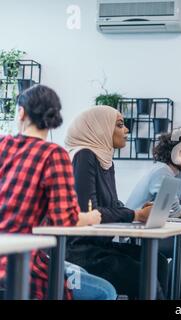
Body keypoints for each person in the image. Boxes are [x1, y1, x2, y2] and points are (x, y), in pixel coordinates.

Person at [0, 85, 117, 300]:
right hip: (22, 265)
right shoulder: (53, 154)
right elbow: (65, 219)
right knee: (105, 291)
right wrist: (91, 217)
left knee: (77, 272)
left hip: (8, 257)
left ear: (22, 113)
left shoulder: (3, 145)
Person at [64, 105, 169, 299]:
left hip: (100, 247)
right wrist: (135, 215)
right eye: (120, 125)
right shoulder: (84, 155)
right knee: (144, 274)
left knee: (159, 262)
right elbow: (90, 212)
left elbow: (112, 205)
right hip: (80, 252)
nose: (127, 130)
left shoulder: (104, 159)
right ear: (100, 128)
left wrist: (137, 211)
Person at [126, 131, 181, 299]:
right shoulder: (161, 171)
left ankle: (177, 296)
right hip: (139, 232)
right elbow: (177, 211)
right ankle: (171, 296)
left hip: (159, 229)